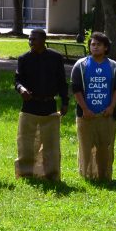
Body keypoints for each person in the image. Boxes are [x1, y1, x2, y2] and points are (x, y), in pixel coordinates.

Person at [13, 28, 69, 180]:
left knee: (50, 144)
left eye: (34, 39)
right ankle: (25, 173)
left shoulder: (55, 58)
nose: (31, 42)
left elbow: (62, 81)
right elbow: (17, 80)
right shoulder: (24, 58)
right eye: (30, 39)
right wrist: (21, 89)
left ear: (43, 40)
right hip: (30, 105)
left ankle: (51, 174)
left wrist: (65, 102)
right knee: (26, 142)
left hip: (49, 104)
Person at [71, 31, 116, 182]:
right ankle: (86, 176)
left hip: (106, 115)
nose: (95, 47)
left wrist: (111, 107)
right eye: (92, 44)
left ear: (106, 48)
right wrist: (85, 109)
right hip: (85, 115)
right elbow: (76, 89)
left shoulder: (113, 66)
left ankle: (104, 175)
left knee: (105, 148)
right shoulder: (81, 65)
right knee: (85, 147)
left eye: (98, 45)